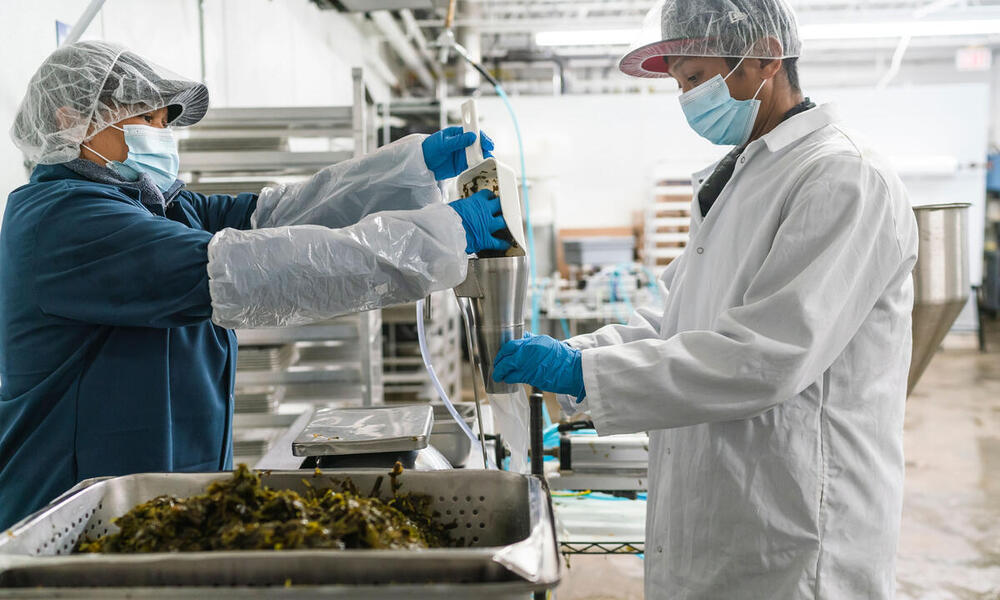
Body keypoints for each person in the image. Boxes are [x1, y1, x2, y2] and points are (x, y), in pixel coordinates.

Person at [492, 1, 919, 598]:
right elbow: (677, 318)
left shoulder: (842, 177)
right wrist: (573, 355)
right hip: (727, 502)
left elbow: (765, 358)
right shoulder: (743, 175)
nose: (688, 98)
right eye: (679, 84)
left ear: (767, 55)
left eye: (695, 77)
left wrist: (585, 373)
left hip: (794, 524)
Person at [0, 41, 510, 530]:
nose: (162, 134)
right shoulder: (66, 222)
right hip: (69, 512)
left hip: (146, 497)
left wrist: (407, 170)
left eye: (163, 121)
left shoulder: (152, 204)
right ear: (72, 119)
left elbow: (276, 216)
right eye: (147, 119)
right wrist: (443, 235)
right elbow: (253, 268)